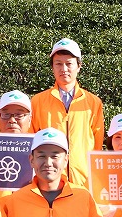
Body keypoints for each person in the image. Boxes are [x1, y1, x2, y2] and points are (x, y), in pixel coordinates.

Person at [31, 38, 104, 188]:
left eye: (69, 63)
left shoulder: (93, 102)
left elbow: (97, 145)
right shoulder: (37, 101)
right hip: (49, 181)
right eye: (58, 64)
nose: (63, 69)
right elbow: (31, 140)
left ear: (79, 66)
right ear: (52, 67)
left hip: (84, 181)